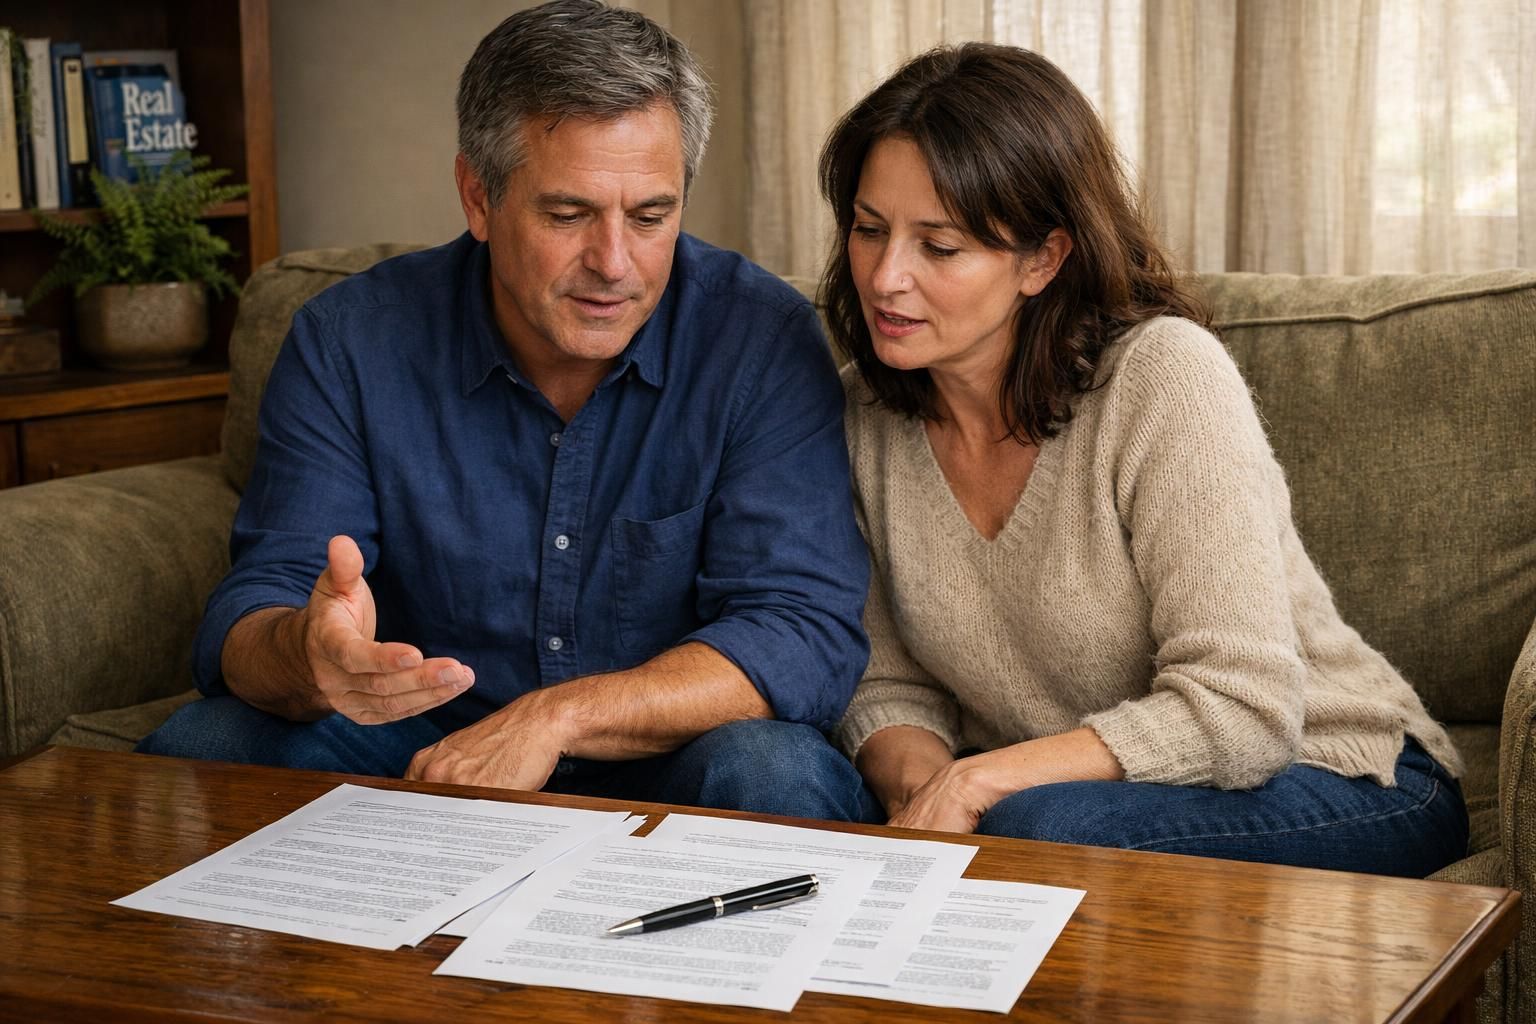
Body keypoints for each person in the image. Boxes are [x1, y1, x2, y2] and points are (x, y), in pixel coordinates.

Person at [137, 0, 878, 823]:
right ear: (478, 197)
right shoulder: (349, 340)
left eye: (651, 216)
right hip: (424, 745)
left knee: (773, 770)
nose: (614, 264)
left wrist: (558, 716)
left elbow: (801, 630)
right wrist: (312, 656)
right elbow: (257, 605)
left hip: (668, 754)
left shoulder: (760, 338)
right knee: (210, 744)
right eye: (567, 215)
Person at [821, 42, 1468, 875]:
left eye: (939, 247)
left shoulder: (1162, 377)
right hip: (1059, 798)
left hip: (1342, 774)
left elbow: (1243, 709)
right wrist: (929, 798)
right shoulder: (861, 412)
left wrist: (982, 784)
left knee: (1036, 833)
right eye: (869, 231)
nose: (885, 278)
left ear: (1043, 260)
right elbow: (886, 686)